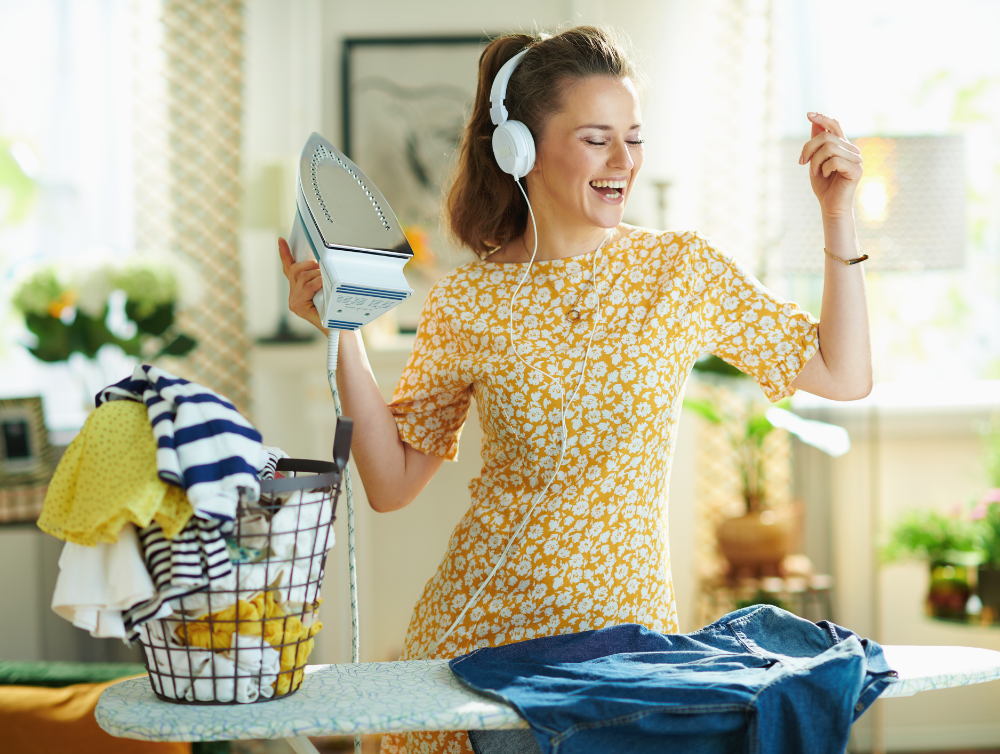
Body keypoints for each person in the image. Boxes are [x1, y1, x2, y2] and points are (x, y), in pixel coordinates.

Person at [279, 25, 870, 754]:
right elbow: (391, 481)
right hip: (478, 641)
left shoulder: (679, 271)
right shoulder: (470, 300)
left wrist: (837, 215)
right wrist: (342, 333)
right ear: (520, 149)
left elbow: (843, 374)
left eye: (634, 137)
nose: (624, 160)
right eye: (597, 138)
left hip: (623, 647)